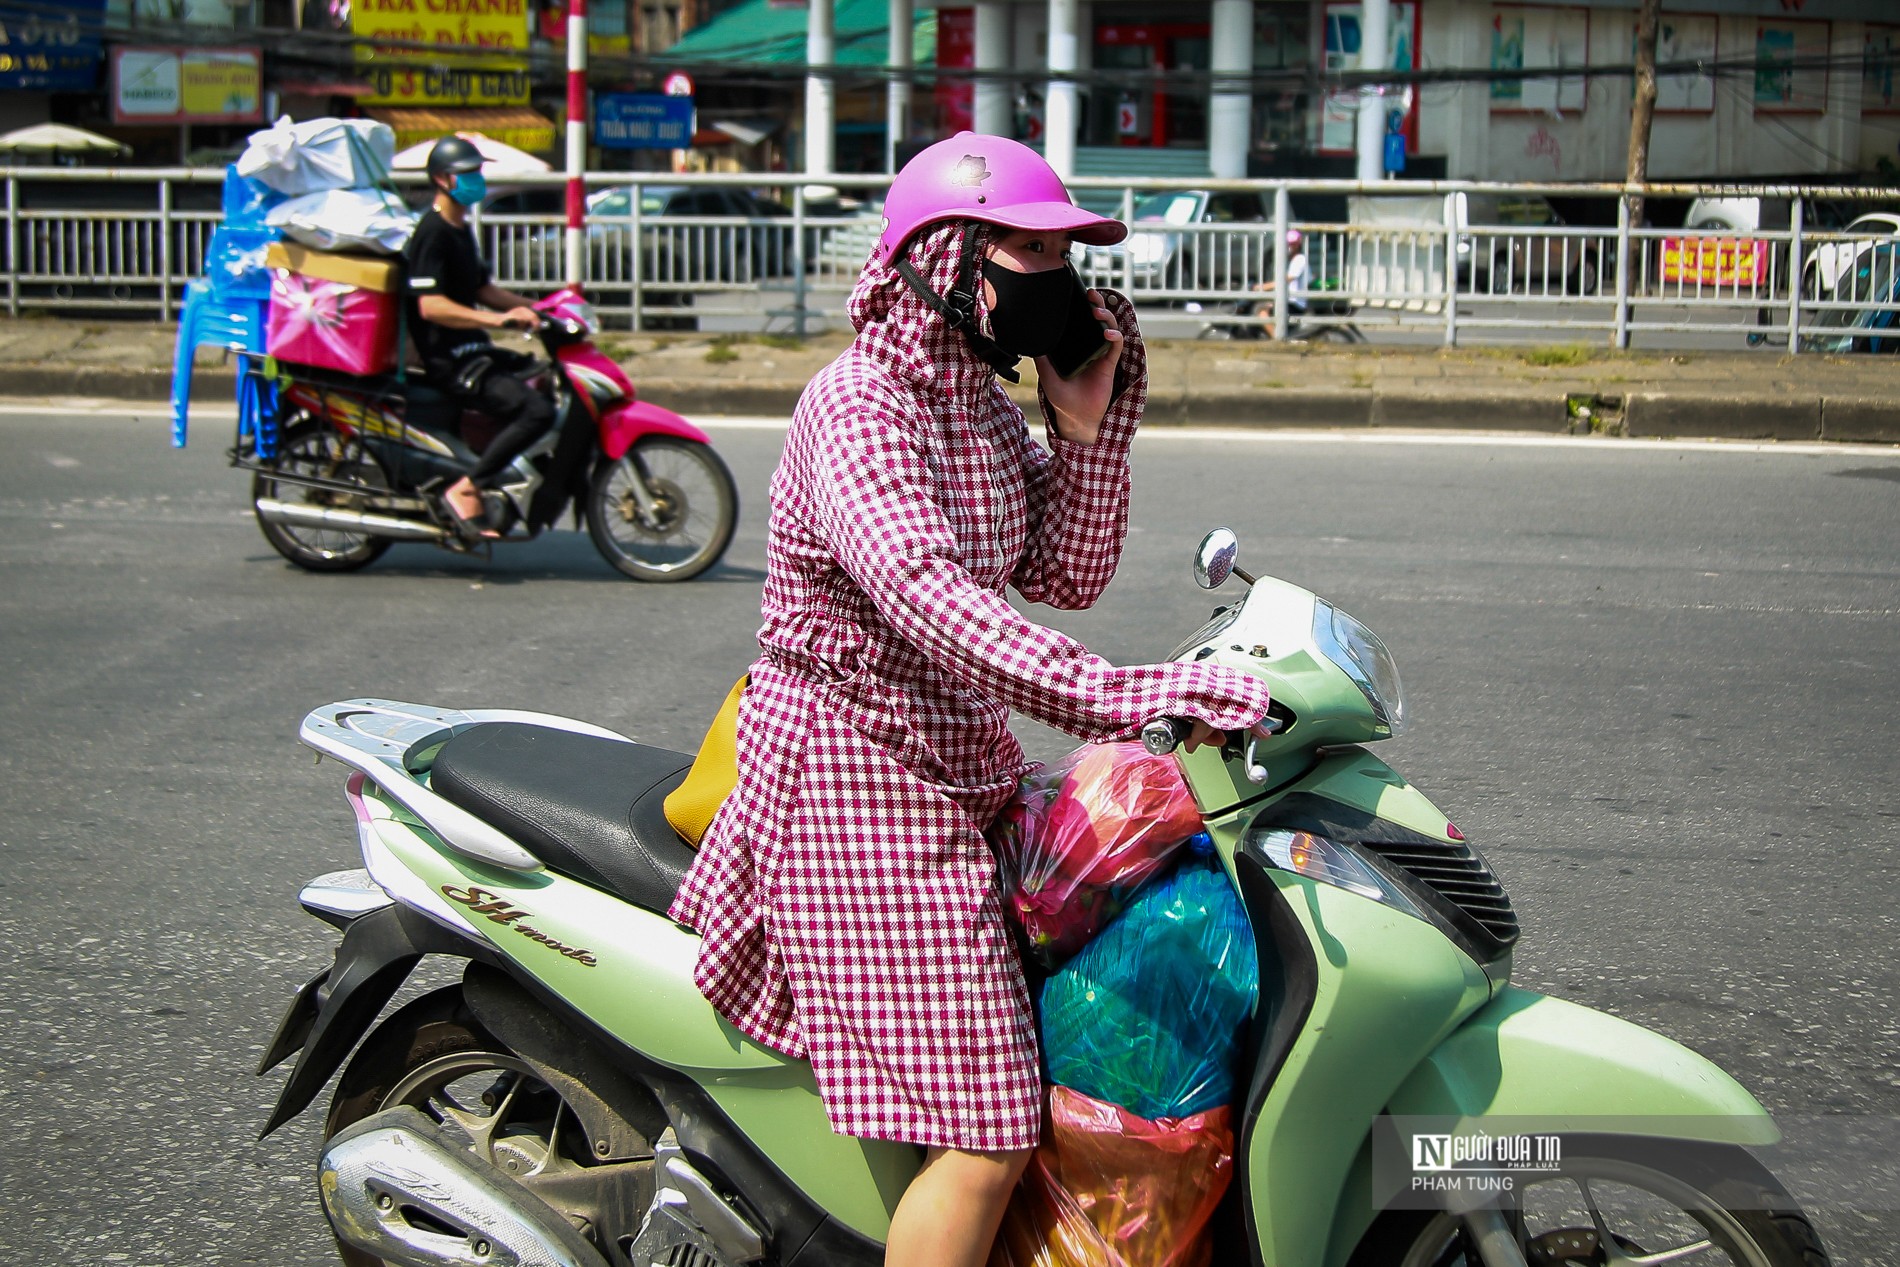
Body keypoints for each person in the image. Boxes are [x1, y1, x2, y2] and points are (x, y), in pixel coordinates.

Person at [667, 134, 1274, 1267]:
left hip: (961, 770)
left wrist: (1085, 428)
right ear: (945, 259)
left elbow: (1063, 576)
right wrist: (1125, 693)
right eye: (1028, 248)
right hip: (855, 786)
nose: (1056, 277)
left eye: (1067, 255)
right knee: (991, 1134)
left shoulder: (980, 412)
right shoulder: (859, 408)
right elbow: (931, 599)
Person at [402, 134, 552, 539]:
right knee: (536, 411)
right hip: (447, 358)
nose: (476, 180)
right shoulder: (432, 232)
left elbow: (484, 289)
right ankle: (469, 487)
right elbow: (430, 306)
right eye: (467, 174)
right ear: (442, 180)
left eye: (478, 172)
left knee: (543, 376)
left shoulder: (460, 228)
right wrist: (498, 322)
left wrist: (542, 308)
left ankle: (503, 471)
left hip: (471, 349)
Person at [1248, 228, 1309, 336]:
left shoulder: (1299, 259)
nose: (1290, 247)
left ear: (1298, 244)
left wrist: (1262, 287)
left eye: (1293, 244)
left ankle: (1278, 338)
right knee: (1263, 305)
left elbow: (1286, 280)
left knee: (1261, 312)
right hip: (1289, 300)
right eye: (1288, 244)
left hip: (1294, 303)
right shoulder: (1291, 260)